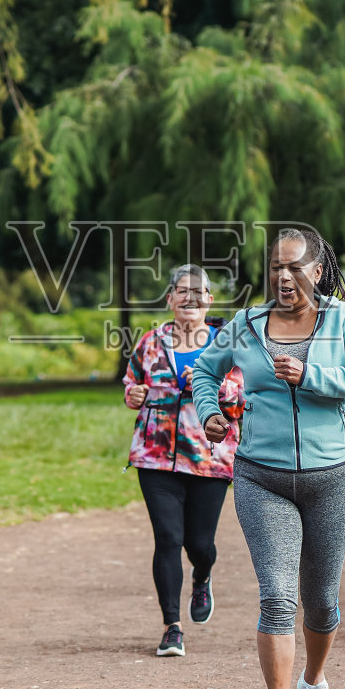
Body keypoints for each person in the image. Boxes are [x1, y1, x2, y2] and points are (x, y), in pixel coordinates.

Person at [191, 229, 345, 689]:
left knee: (321, 600)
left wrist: (312, 375)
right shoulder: (248, 325)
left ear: (317, 271)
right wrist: (211, 412)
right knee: (277, 597)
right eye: (276, 267)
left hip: (332, 476)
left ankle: (314, 683)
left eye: (295, 267)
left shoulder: (342, 320)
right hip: (261, 476)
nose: (283, 277)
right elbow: (203, 371)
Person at [122, 265, 246, 659]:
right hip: (154, 455)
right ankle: (171, 627)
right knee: (168, 538)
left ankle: (203, 574)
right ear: (170, 300)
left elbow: (243, 398)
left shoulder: (226, 345)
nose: (189, 298)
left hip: (210, 456)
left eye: (198, 291)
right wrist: (133, 394)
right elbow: (131, 382)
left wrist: (211, 385)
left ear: (209, 299)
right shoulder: (150, 342)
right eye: (181, 291)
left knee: (200, 543)